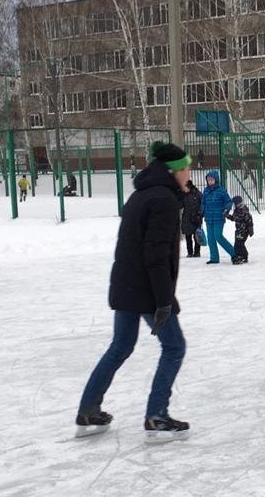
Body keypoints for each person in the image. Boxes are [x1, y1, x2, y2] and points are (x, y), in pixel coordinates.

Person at [74, 141, 192, 441]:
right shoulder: (163, 200)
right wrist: (164, 301)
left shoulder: (141, 194)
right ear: (173, 170)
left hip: (125, 286)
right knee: (174, 347)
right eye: (187, 168)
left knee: (120, 346)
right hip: (147, 291)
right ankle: (156, 414)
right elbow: (155, 255)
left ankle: (88, 409)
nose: (190, 173)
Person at [200, 169, 237, 263]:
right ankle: (214, 258)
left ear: (216, 179)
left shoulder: (221, 191)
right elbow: (203, 203)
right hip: (209, 218)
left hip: (219, 217)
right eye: (208, 180)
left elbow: (228, 201)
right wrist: (202, 210)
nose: (210, 182)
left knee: (218, 236)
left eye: (212, 180)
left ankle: (234, 253)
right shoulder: (206, 191)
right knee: (210, 239)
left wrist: (226, 209)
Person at [226, 195, 254, 263]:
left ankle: (244, 256)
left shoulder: (244, 210)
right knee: (237, 244)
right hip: (238, 230)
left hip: (244, 231)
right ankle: (239, 256)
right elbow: (234, 218)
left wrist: (250, 229)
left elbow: (249, 220)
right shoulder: (237, 210)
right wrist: (227, 216)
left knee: (240, 244)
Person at [181, 179, 203, 258]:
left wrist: (200, 214)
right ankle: (190, 252)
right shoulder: (183, 195)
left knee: (197, 235)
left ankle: (197, 252)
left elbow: (203, 204)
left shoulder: (197, 193)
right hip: (187, 218)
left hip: (196, 217)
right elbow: (180, 205)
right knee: (188, 236)